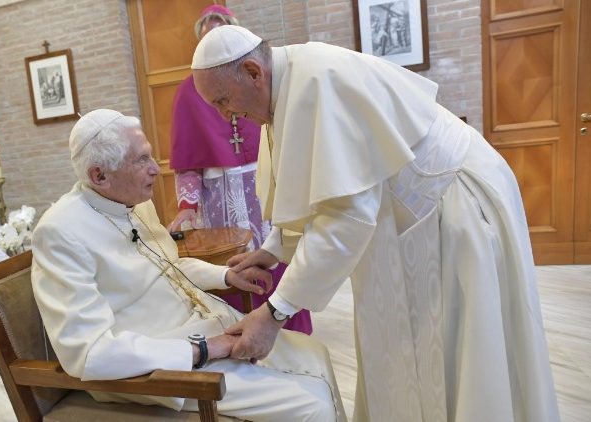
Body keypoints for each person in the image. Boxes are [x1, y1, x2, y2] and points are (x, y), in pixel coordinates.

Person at [190, 25, 560, 422]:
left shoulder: (318, 82)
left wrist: (275, 313)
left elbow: (344, 216)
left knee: (463, 348)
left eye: (223, 100)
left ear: (252, 71)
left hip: (453, 205)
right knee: (410, 343)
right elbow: (312, 185)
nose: (226, 115)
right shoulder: (283, 89)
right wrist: (272, 250)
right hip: (409, 218)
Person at [31, 109, 345, 421]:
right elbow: (89, 353)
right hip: (161, 366)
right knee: (312, 407)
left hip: (208, 327)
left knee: (317, 356)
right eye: (142, 160)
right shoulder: (60, 232)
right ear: (99, 175)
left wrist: (226, 275)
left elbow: (168, 267)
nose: (156, 169)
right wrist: (203, 349)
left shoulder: (132, 202)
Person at [168, 5, 312, 334]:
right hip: (221, 201)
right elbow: (187, 163)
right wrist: (187, 206)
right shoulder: (189, 93)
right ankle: (239, 331)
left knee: (278, 247)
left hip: (266, 186)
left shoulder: (265, 81)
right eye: (207, 38)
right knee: (232, 265)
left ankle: (287, 324)